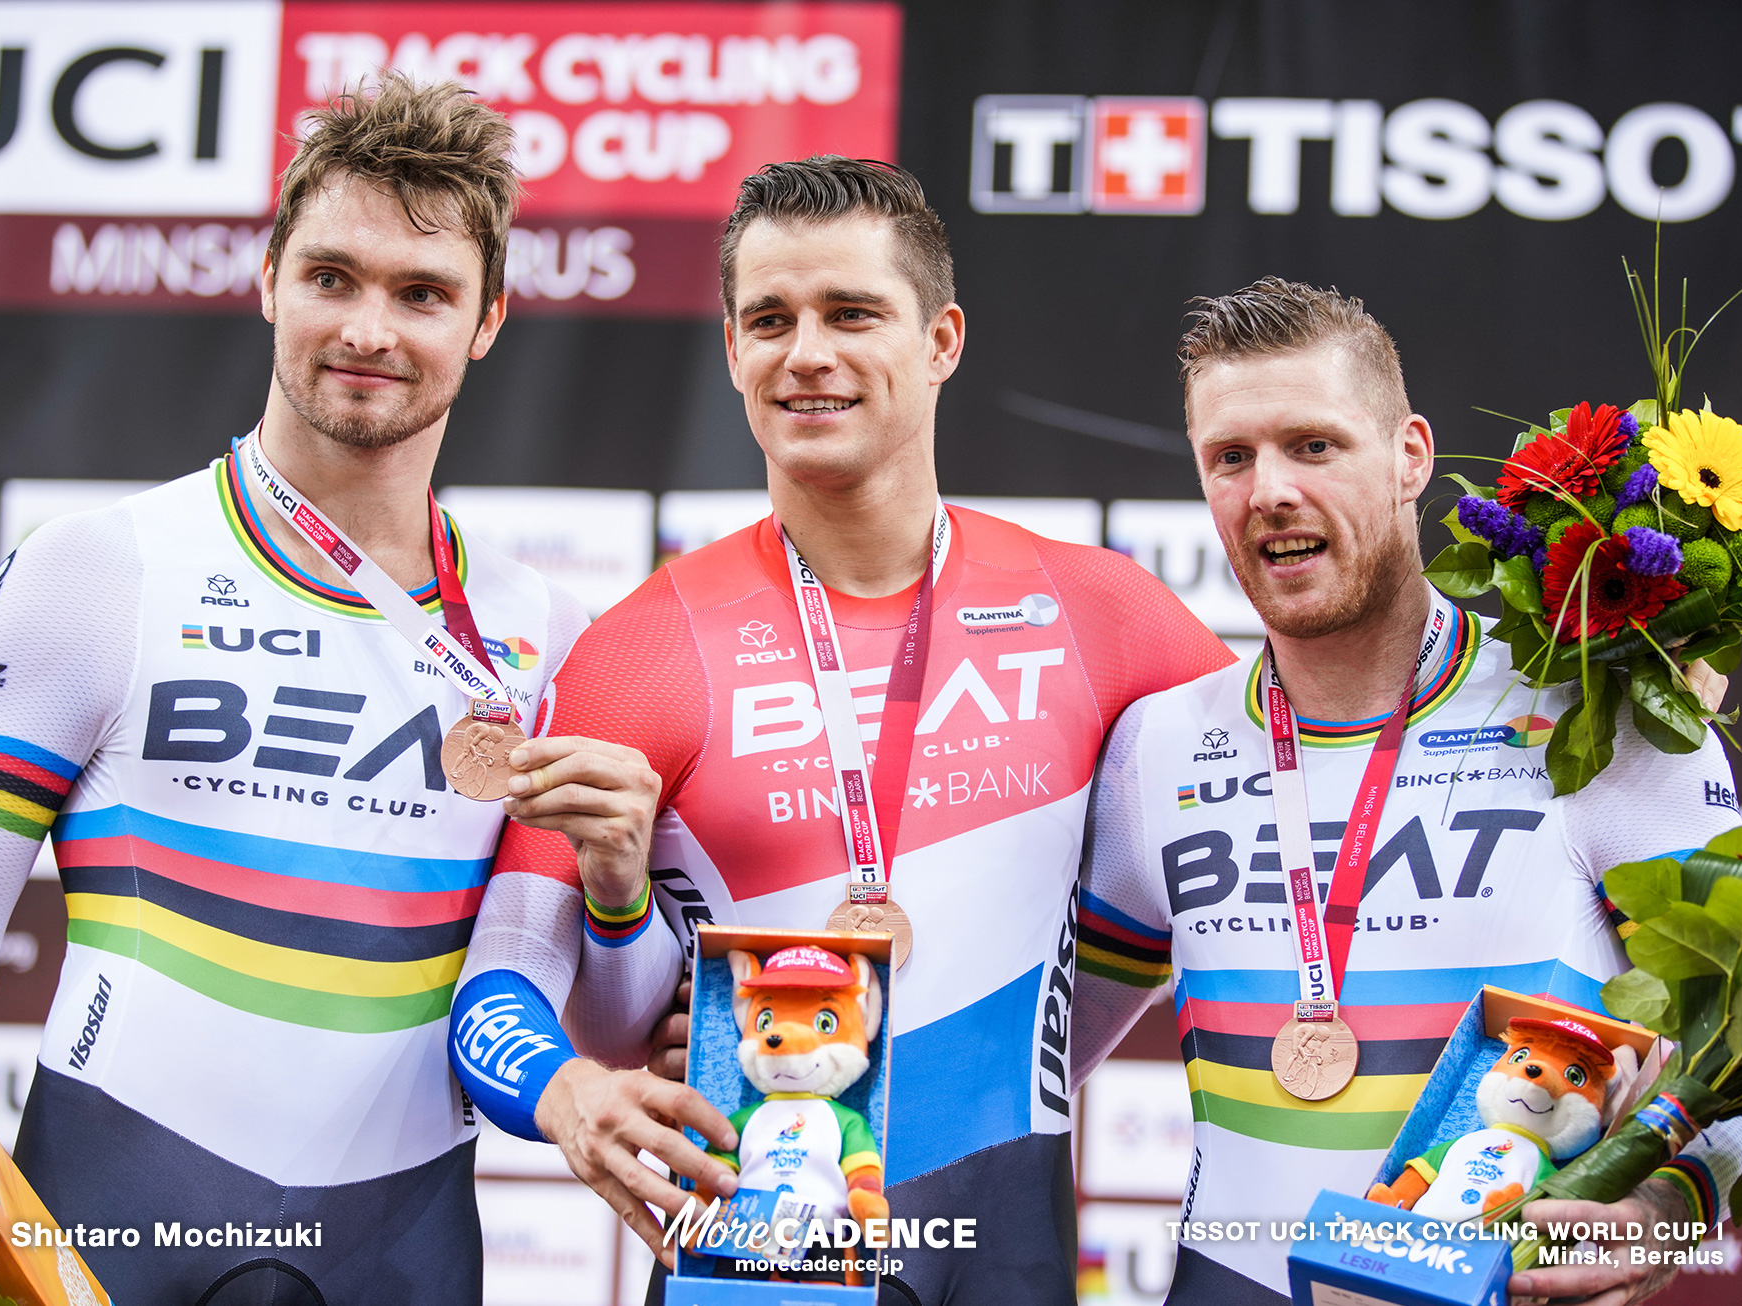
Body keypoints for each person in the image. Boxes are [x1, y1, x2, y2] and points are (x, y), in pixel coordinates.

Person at [0, 75, 693, 1305]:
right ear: (268, 277)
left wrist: (618, 893)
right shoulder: (99, 570)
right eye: (332, 277)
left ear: (488, 319)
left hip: (401, 1249)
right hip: (104, 1211)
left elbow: (570, 1005)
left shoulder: (547, 637)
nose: (367, 330)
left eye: (422, 294)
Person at [491, 156, 1234, 1306]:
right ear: (733, 349)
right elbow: (513, 989)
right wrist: (567, 1082)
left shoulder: (1103, 612)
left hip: (1011, 1241)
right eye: (770, 320)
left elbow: (1300, 803)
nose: (807, 353)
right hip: (750, 1251)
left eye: (851, 313)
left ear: (940, 341)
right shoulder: (639, 651)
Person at [1072, 278, 1742, 1305]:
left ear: (1410, 457)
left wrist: (1667, 1210)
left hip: (1499, 1280)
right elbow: (1029, 1065)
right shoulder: (1156, 745)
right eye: (1230, 456)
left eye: (1313, 445)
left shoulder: (1595, 714)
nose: (1267, 490)